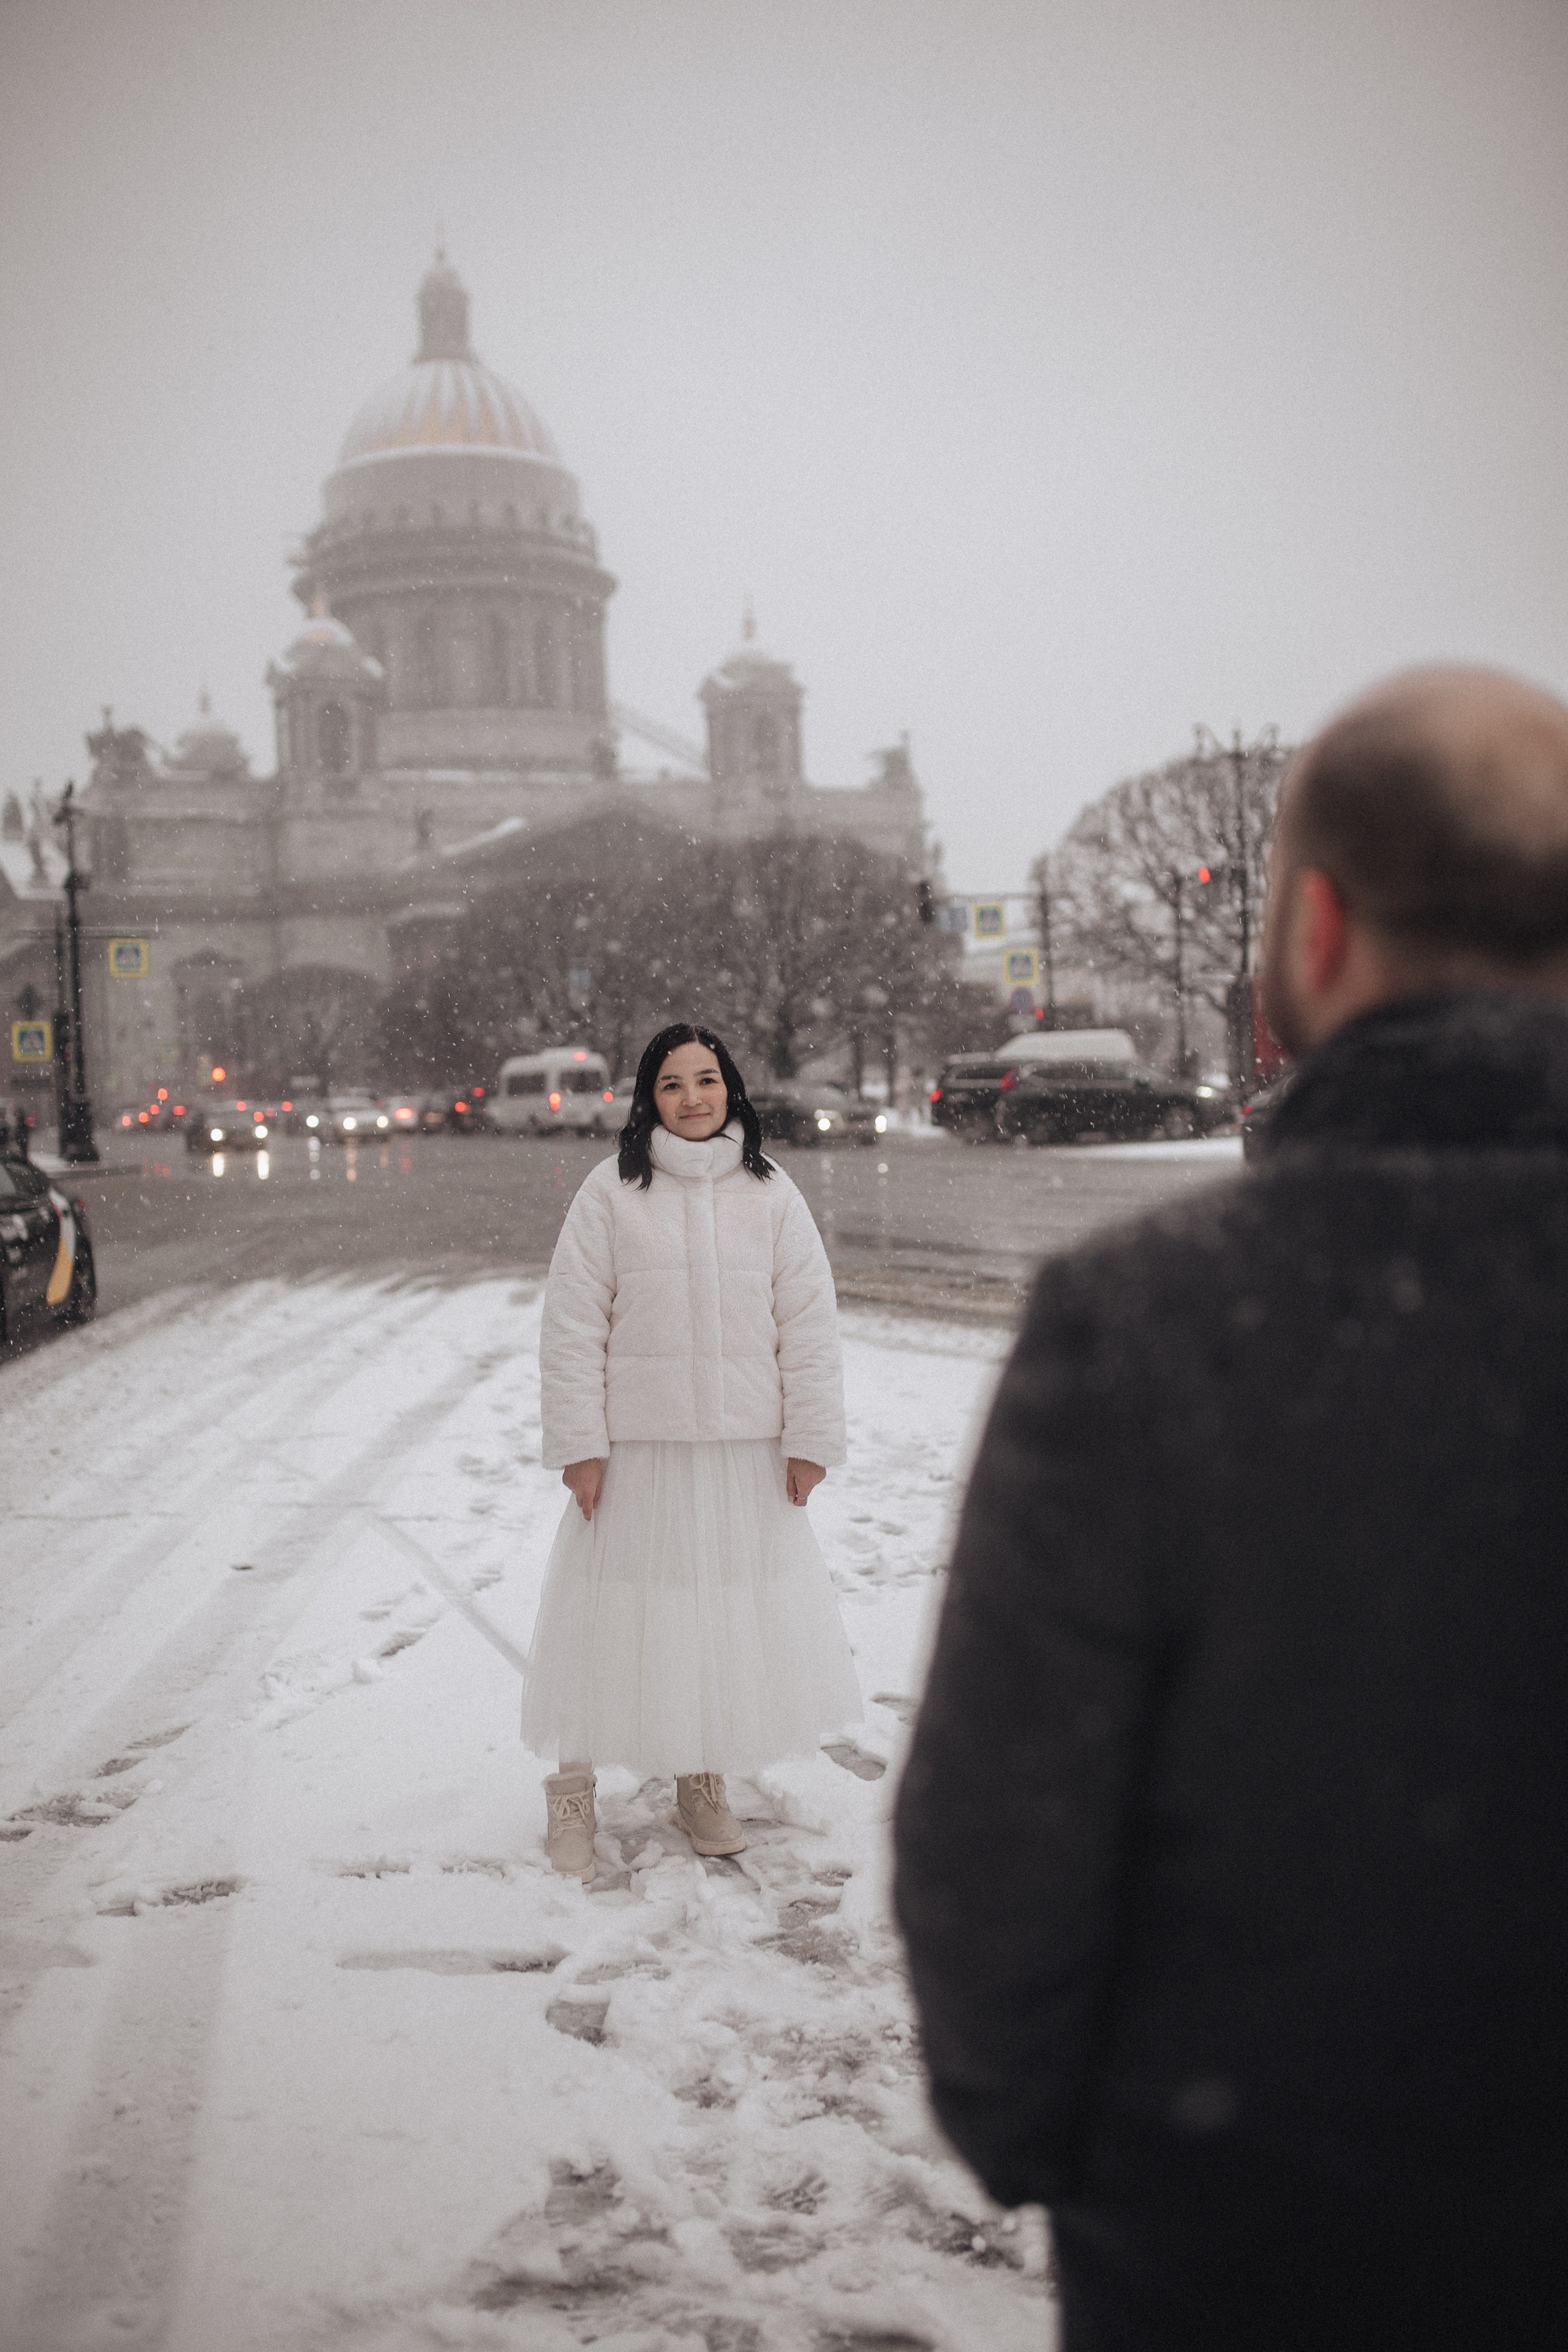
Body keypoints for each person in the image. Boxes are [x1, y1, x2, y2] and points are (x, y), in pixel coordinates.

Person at [893, 666, 1568, 2349]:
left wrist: (1078, 2156)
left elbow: (1000, 1849)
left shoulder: (1144, 1326)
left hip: (1255, 2244)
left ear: (1317, 932)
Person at [522, 1021, 861, 1881]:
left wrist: (810, 1439)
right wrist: (580, 1447)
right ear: (650, 1100)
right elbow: (571, 1327)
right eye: (673, 1084)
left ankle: (698, 1775)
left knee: (707, 1616)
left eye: (706, 1080)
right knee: (610, 1613)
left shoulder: (772, 1192)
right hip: (637, 1450)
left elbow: (810, 1327)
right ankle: (572, 1789)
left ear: (731, 1088)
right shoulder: (610, 1192)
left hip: (743, 1448)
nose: (693, 1098)